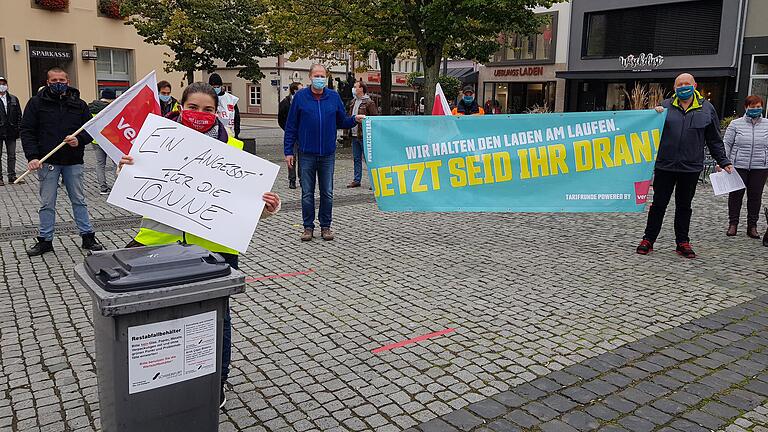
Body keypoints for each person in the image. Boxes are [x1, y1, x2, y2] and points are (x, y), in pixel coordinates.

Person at [118, 82, 281, 410]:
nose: (200, 115)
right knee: (162, 316)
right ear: (181, 107)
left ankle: (217, 380)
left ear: (217, 112)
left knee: (217, 318)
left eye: (208, 109)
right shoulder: (154, 144)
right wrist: (128, 175)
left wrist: (264, 208)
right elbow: (134, 199)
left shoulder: (233, 148)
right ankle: (167, 377)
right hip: (158, 246)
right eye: (194, 107)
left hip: (214, 252)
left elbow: (241, 206)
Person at [636, 73, 733, 258]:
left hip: (690, 167)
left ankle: (682, 242)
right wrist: (652, 116)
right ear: (674, 88)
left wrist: (723, 161)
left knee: (684, 206)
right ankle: (648, 239)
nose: (683, 87)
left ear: (695, 85)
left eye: (687, 83)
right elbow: (648, 134)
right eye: (679, 84)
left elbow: (714, 139)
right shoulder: (664, 107)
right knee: (658, 205)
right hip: (665, 166)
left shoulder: (707, 108)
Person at [20, 67, 104, 256]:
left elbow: (90, 129)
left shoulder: (79, 104)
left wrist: (79, 140)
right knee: (47, 202)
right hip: (47, 160)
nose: (58, 83)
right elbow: (27, 130)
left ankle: (87, 236)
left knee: (79, 200)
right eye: (54, 80)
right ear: (47, 82)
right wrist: (32, 156)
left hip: (73, 160)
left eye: (62, 80)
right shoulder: (36, 103)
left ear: (68, 81)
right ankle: (45, 240)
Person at [284, 64, 365, 242]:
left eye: (322, 76)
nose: (319, 79)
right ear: (310, 77)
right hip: (306, 153)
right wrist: (288, 151)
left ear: (325, 77)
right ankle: (307, 227)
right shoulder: (300, 98)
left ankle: (326, 226)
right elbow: (291, 126)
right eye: (316, 76)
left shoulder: (333, 97)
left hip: (327, 153)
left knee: (327, 192)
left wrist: (354, 120)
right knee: (307, 193)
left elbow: (341, 120)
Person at [722, 95, 768, 239]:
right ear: (746, 108)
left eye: (758, 107)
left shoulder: (767, 124)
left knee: (755, 197)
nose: (756, 109)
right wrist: (724, 161)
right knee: (735, 196)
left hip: (760, 166)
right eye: (752, 107)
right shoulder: (736, 124)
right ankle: (733, 224)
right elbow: (727, 143)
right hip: (738, 165)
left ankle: (752, 226)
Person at [347, 81, 378, 188]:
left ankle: (373, 182)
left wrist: (364, 122)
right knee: (356, 158)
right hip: (355, 134)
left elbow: (374, 119)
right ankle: (357, 180)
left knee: (368, 159)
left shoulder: (369, 102)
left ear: (361, 89)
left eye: (355, 87)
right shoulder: (353, 101)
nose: (354, 88)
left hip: (364, 135)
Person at [88, 88, 116, 194]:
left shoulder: (91, 107)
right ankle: (118, 187)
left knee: (100, 164)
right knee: (116, 163)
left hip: (96, 140)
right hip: (111, 140)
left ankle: (103, 187)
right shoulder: (111, 108)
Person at [278, 82, 304, 189]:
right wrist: (289, 130)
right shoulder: (285, 102)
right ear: (294, 90)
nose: (303, 91)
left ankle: (302, 179)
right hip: (292, 135)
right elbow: (280, 119)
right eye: (300, 89)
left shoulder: (304, 101)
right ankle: (292, 180)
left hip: (302, 135)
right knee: (291, 158)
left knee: (303, 158)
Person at [0, 76, 23, 185]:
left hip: (11, 131)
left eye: (4, 83)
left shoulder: (13, 98)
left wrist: (18, 128)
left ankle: (12, 176)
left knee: (12, 155)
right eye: (0, 84)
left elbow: (19, 115)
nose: (2, 86)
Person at [208, 73, 241, 139]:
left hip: (229, 133)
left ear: (221, 86)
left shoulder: (231, 99)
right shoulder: (207, 97)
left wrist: (236, 133)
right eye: (214, 87)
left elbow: (236, 118)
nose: (216, 89)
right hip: (212, 134)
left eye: (218, 87)